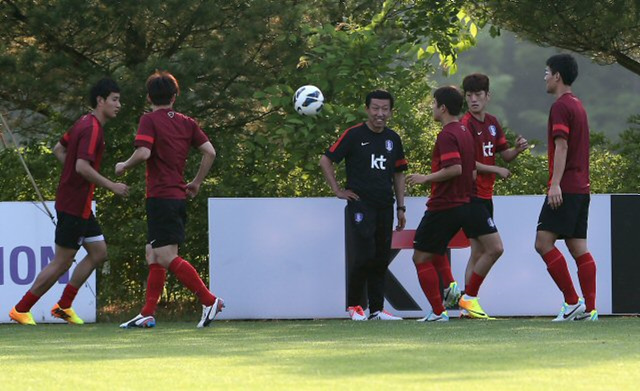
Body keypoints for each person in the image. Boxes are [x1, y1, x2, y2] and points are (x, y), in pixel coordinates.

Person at [9, 78, 129, 325]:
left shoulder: (82, 123)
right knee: (62, 262)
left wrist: (74, 176)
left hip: (79, 202)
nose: (119, 105)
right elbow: (82, 166)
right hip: (74, 204)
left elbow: (58, 149)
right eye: (115, 100)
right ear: (101, 100)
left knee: (98, 253)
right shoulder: (92, 128)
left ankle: (63, 306)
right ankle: (21, 309)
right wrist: (111, 185)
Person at [116, 71, 223, 328]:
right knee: (152, 253)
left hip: (161, 196)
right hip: (175, 196)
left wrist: (123, 165)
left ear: (149, 97)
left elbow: (143, 152)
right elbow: (209, 152)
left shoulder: (149, 120)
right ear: (175, 96)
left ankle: (209, 300)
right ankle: (148, 313)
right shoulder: (187, 122)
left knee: (164, 255)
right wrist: (196, 182)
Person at [435, 73, 529, 318]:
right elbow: (468, 164)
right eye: (469, 95)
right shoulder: (464, 124)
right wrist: (496, 169)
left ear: (488, 96)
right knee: (495, 249)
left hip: (486, 195)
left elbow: (503, 154)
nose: (474, 99)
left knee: (477, 253)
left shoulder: (492, 122)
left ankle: (468, 306)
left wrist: (516, 150)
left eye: (478, 95)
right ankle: (469, 298)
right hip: (472, 195)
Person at [407, 86, 503, 322]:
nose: (432, 108)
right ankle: (461, 293)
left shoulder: (448, 134)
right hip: (468, 202)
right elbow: (470, 173)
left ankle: (439, 312)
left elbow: (456, 168)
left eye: (433, 104)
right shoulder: (465, 131)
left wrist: (425, 178)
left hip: (444, 204)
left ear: (442, 108)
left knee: (420, 258)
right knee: (489, 248)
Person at [320, 90, 407, 321]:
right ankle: (354, 307)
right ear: (367, 109)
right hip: (360, 205)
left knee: (380, 257)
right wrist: (337, 190)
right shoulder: (354, 135)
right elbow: (326, 159)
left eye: (385, 109)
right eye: (375, 108)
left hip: (385, 206)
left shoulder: (393, 139)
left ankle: (377, 310)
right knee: (363, 255)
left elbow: (398, 174)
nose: (380, 113)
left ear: (390, 111)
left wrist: (401, 207)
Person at [535, 54, 597, 321]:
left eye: (547, 72)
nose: (545, 77)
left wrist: (555, 184)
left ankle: (572, 302)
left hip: (567, 186)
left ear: (557, 76)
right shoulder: (578, 105)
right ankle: (590, 310)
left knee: (543, 243)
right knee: (578, 247)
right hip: (581, 187)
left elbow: (562, 146)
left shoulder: (560, 106)